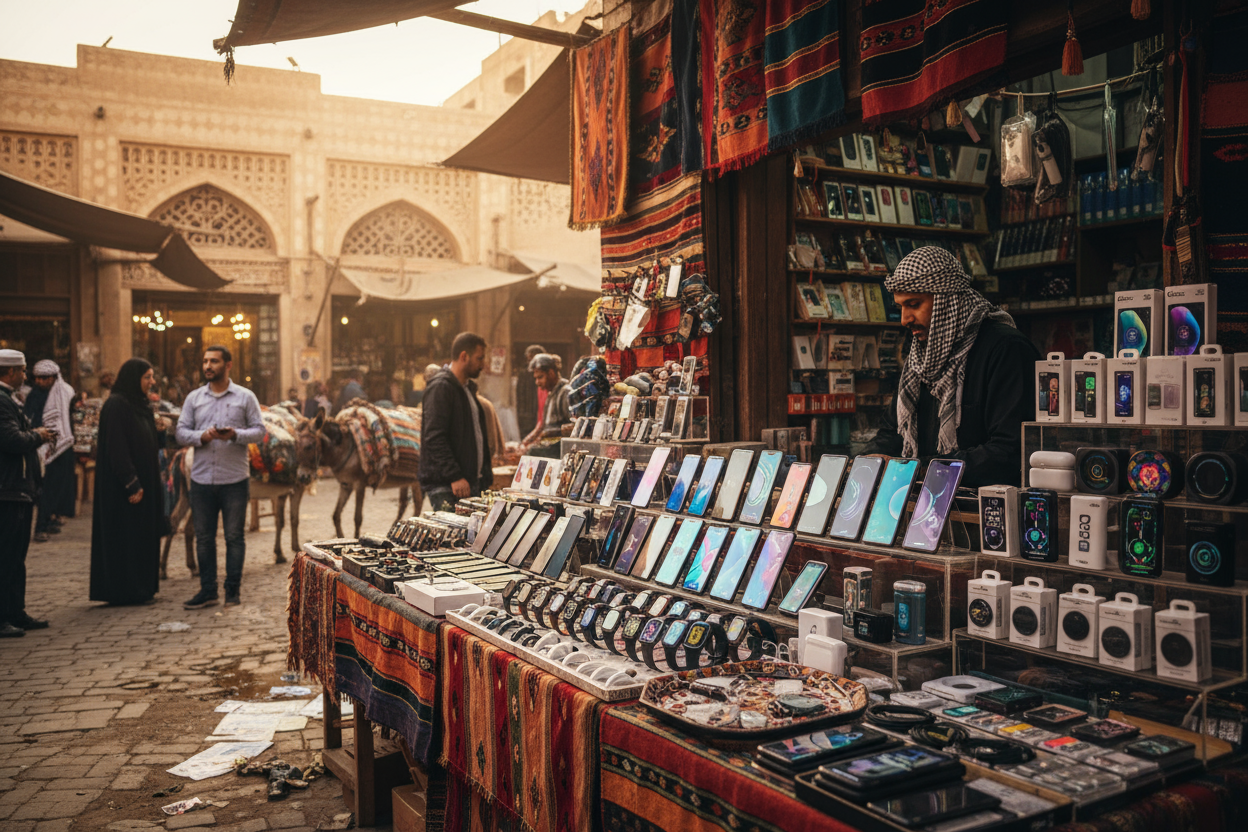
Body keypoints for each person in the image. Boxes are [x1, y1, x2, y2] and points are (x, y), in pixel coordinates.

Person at [863, 247, 1040, 487]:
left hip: (982, 509)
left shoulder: (1005, 349)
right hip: (925, 505)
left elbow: (1010, 451)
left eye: (914, 304)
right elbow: (891, 434)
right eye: (900, 307)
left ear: (947, 301)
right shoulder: (920, 358)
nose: (905, 319)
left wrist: (921, 469)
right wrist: (870, 460)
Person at [176, 346, 264, 609]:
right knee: (204, 538)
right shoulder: (194, 399)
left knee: (234, 537)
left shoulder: (245, 397)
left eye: (213, 361)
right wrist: (202, 437)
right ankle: (208, 590)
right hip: (202, 480)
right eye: (205, 361)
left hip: (234, 480)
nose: (207, 366)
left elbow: (259, 431)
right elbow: (181, 433)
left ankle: (232, 591)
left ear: (228, 365)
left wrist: (235, 435)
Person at [89, 358, 170, 606]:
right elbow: (116, 448)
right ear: (133, 379)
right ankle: (124, 590)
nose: (152, 382)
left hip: (146, 483)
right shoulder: (117, 405)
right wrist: (131, 482)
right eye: (147, 377)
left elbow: (151, 443)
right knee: (125, 536)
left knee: (142, 535)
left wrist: (159, 431)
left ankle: (142, 587)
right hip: (125, 488)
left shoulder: (139, 404)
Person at [0, 349, 53, 636]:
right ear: (10, 372)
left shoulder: (10, 399)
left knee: (16, 557)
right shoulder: (1, 401)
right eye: (22, 370)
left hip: (17, 490)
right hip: (7, 490)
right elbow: (11, 439)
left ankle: (15, 612)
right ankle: (3, 616)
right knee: (7, 557)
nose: (25, 375)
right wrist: (38, 436)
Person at [419, 332, 492, 512]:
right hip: (449, 486)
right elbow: (434, 437)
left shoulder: (466, 390)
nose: (483, 365)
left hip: (468, 484)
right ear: (463, 357)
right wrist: (454, 476)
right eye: (479, 358)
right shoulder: (441, 387)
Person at [26, 360, 76, 543]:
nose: (40, 382)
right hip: (42, 446)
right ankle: (40, 527)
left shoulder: (66, 392)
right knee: (45, 489)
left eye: (44, 378)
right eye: (37, 378)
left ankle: (49, 520)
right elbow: (30, 419)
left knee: (58, 486)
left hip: (63, 445)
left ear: (54, 378)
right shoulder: (36, 395)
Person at [520, 354, 571, 458]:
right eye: (536, 378)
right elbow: (542, 424)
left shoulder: (565, 393)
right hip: (550, 444)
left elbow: (574, 426)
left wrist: (549, 433)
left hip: (560, 448)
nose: (537, 382)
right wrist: (526, 441)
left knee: (533, 452)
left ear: (551, 373)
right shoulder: (550, 394)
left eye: (540, 377)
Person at [515, 344, 546, 437]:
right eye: (529, 359)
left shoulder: (546, 376)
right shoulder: (523, 374)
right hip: (526, 415)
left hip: (541, 414)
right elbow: (520, 396)